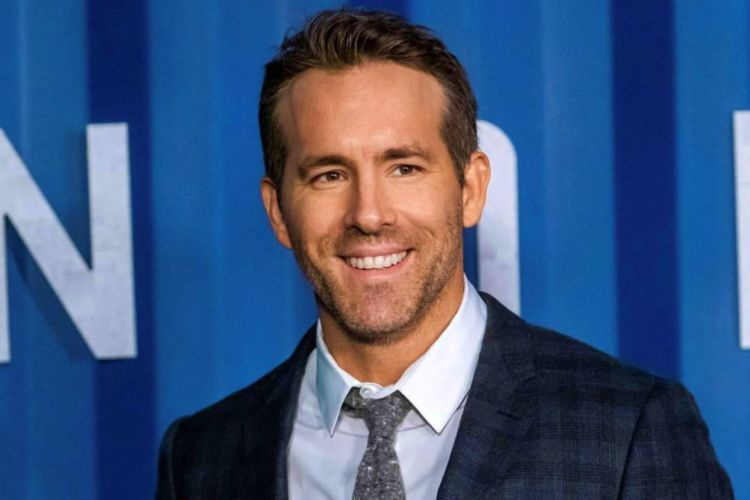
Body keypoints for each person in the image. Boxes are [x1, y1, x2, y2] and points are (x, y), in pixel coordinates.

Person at [156, 9, 732, 499]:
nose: (369, 214)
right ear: (278, 211)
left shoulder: (627, 430)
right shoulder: (201, 458)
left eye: (404, 168)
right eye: (329, 174)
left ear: (471, 189)